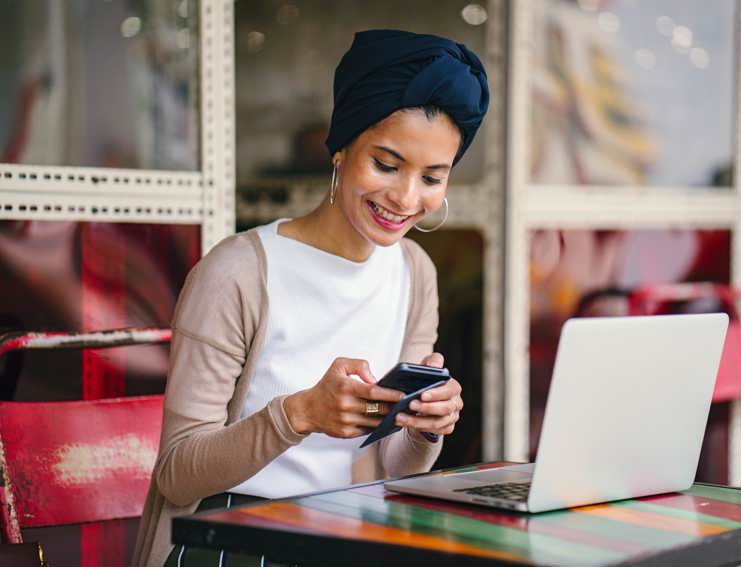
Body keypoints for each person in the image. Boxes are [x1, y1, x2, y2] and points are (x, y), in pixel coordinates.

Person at [132, 29, 489, 567]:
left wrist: (424, 429)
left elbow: (397, 468)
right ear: (340, 149)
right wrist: (299, 414)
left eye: (432, 177)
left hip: (350, 527)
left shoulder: (414, 272)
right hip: (228, 535)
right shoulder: (239, 271)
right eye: (387, 165)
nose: (405, 198)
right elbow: (178, 472)